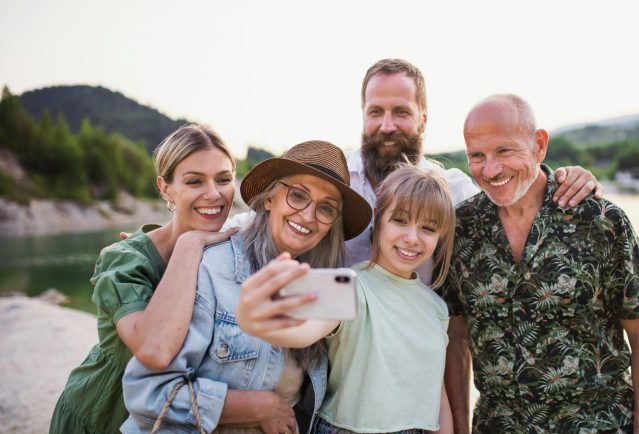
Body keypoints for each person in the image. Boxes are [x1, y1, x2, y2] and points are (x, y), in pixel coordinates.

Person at [227, 58, 602, 276]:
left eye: (401, 112)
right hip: (331, 351)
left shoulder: (452, 190)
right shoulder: (335, 180)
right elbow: (266, 218)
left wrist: (565, 178)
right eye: (376, 112)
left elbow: (511, 192)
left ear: (423, 119)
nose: (387, 126)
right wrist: (192, 235)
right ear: (363, 116)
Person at [441, 94, 639, 434]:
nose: (490, 169)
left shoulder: (600, 222)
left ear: (539, 145)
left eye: (504, 151)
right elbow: (455, 340)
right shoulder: (461, 229)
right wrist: (461, 433)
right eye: (477, 155)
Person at [120, 140, 373, 434]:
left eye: (326, 208)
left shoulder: (326, 286)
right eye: (297, 196)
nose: (307, 216)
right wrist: (256, 406)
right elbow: (148, 394)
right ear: (270, 199)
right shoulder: (213, 268)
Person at [238, 165, 458, 434]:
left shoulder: (435, 308)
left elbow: (436, 396)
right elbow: (304, 332)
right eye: (400, 221)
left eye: (428, 228)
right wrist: (254, 321)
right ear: (379, 220)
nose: (412, 238)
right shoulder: (349, 285)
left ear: (441, 235)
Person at [48, 124, 240, 434]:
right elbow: (155, 350)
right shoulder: (125, 260)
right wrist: (189, 245)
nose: (213, 194)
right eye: (194, 181)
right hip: (102, 421)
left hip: (174, 426)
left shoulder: (227, 247)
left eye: (223, 179)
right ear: (165, 188)